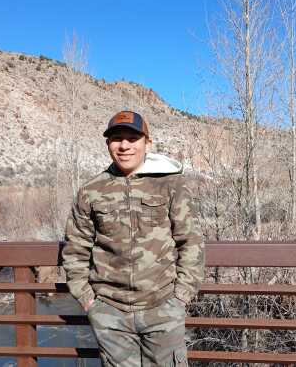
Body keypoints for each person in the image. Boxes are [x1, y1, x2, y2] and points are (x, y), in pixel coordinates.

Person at [63, 110, 204, 366]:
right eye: (117, 138)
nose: (124, 145)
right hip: (109, 311)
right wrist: (87, 299)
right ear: (108, 143)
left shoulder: (171, 185)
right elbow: (76, 248)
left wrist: (180, 297)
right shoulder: (91, 191)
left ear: (147, 143)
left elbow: (191, 241)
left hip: (162, 307)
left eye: (132, 138)